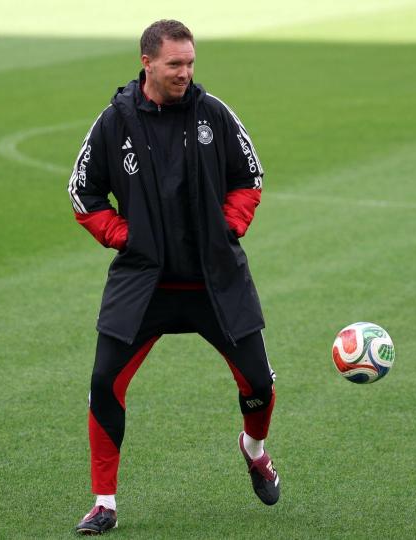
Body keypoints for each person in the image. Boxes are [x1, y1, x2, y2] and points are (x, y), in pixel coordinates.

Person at [67, 19, 278, 535]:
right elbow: (82, 192)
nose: (186, 73)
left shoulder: (214, 114)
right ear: (147, 62)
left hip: (214, 280)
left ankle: (254, 451)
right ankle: (104, 503)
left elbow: (249, 177)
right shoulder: (113, 123)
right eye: (174, 64)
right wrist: (125, 237)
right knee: (103, 384)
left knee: (259, 384)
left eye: (190, 63)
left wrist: (229, 226)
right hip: (145, 285)